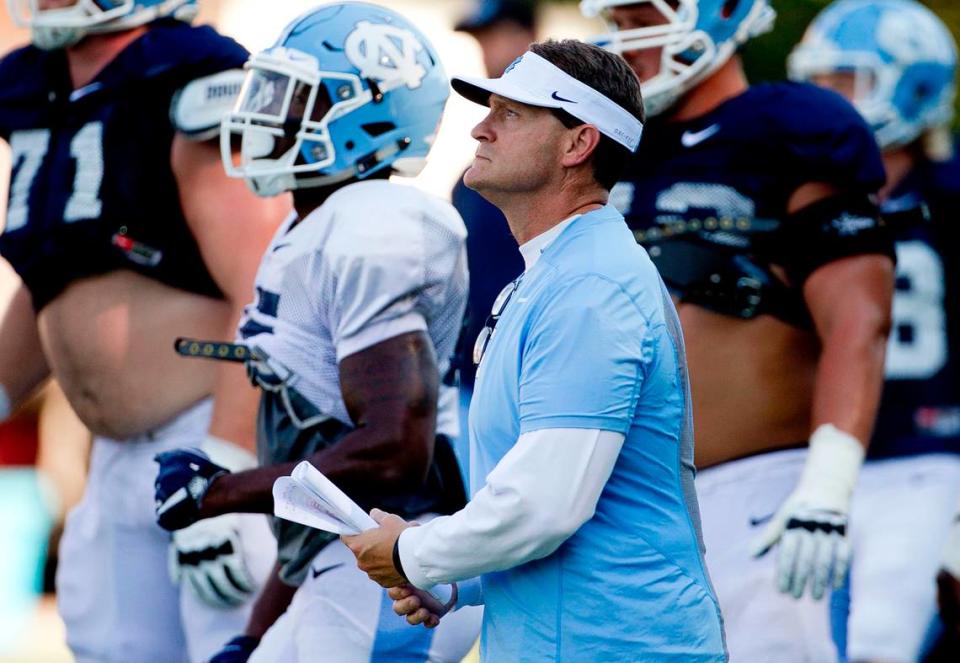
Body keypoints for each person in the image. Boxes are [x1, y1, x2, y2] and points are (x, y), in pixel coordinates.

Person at [342, 38, 727, 662]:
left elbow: (546, 506)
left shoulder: (590, 283)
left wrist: (412, 554)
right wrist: (457, 577)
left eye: (510, 113)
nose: (481, 128)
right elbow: (551, 504)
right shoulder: (557, 273)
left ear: (579, 144)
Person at [152, 4, 482, 662]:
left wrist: (222, 490)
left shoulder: (373, 225)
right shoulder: (311, 226)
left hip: (392, 574)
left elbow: (393, 451)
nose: (264, 112)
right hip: (345, 567)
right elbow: (323, 490)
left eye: (289, 95)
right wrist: (254, 633)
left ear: (365, 116)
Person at [580, 0, 896, 660]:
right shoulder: (612, 145)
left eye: (641, 21)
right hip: (619, 510)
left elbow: (858, 321)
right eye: (621, 23)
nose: (624, 41)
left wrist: (827, 485)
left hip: (752, 492)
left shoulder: (791, 127)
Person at [0, 1, 285, 661]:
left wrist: (228, 462)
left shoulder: (190, 83)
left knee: (235, 648)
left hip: (207, 437)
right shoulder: (40, 90)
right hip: (113, 456)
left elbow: (265, 287)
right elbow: (57, 285)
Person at [788, 2, 960, 661]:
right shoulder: (799, 193)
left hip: (923, 451)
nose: (824, 103)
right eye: (818, 83)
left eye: (843, 83)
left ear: (913, 85)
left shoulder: (947, 194)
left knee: (879, 639)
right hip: (814, 451)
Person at [448, 0, 533, 478]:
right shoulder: (471, 179)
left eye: (493, 35)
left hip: (538, 382)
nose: (487, 52)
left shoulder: (577, 153)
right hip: (473, 381)